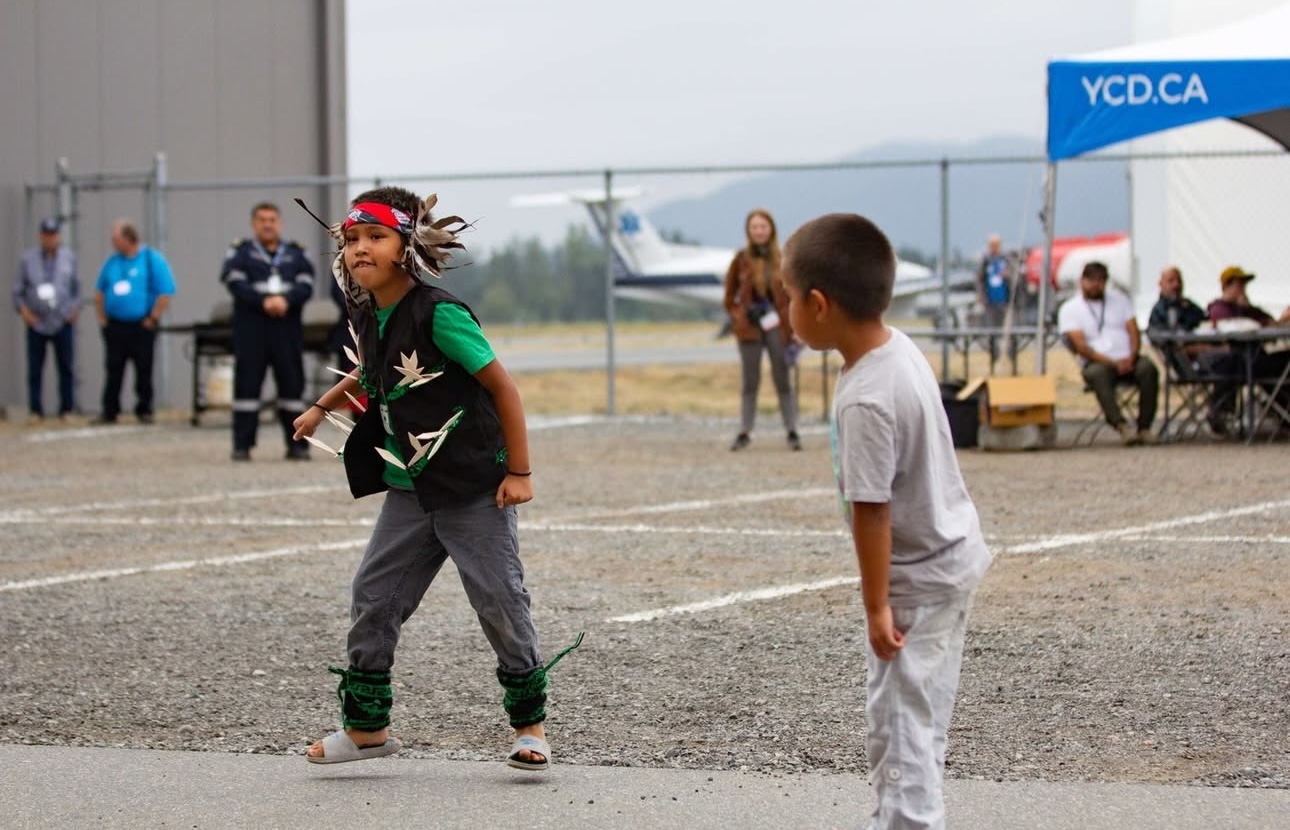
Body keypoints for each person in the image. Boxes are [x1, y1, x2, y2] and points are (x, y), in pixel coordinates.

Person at [292, 186, 577, 768]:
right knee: (373, 596)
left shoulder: (439, 313)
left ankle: (531, 727)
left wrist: (519, 471)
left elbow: (504, 387)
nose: (361, 249)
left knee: (499, 599)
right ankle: (368, 729)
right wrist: (322, 406)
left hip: (473, 487)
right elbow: (369, 371)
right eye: (352, 240)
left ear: (408, 245)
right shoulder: (369, 311)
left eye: (376, 237)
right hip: (410, 488)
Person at [778, 212, 991, 830]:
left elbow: (874, 513)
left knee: (900, 734)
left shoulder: (866, 396)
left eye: (791, 297)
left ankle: (907, 822)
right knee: (920, 720)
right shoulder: (897, 349)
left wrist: (877, 606)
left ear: (818, 305)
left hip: (915, 585)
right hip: (951, 563)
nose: (788, 309)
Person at [220, 202, 316, 461]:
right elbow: (233, 280)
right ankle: (242, 445)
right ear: (254, 224)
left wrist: (286, 300)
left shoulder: (296, 254)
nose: (267, 224)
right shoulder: (240, 252)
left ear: (279, 223)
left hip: (286, 328)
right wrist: (263, 301)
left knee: (292, 387)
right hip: (252, 329)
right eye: (262, 219)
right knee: (247, 387)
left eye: (272, 219)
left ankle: (297, 444)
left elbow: (307, 283)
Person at [722, 208, 800, 451]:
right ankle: (745, 430)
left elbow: (792, 294)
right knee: (750, 380)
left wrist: (794, 325)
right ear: (748, 231)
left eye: (763, 227)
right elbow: (729, 295)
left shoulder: (782, 258)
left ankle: (792, 429)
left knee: (782, 377)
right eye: (754, 227)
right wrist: (737, 315)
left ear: (771, 229)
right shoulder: (741, 260)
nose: (759, 231)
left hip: (777, 324)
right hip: (749, 326)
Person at [1057, 261, 1159, 446]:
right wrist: (1113, 363)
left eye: (1101, 281)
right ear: (1082, 282)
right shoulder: (1070, 309)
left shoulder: (1120, 300)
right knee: (1097, 374)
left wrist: (1132, 355)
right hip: (1098, 361)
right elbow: (1082, 347)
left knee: (1148, 369)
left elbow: (1133, 331)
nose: (1096, 285)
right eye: (1092, 280)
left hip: (1128, 358)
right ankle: (1120, 425)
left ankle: (1144, 427)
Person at [93, 220, 176, 424]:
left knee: (143, 368)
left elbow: (166, 291)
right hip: (116, 325)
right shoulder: (112, 262)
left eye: (116, 238)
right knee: (113, 369)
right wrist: (102, 319)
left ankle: (144, 408)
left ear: (128, 239)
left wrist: (153, 317)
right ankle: (110, 409)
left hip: (141, 325)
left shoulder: (150, 259)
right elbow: (99, 291)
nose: (113, 242)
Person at [1201, 266, 1290, 434]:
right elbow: (1237, 328)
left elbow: (1268, 321)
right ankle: (1282, 412)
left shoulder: (1244, 308)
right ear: (1226, 286)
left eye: (1243, 285)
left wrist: (1250, 309)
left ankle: (1283, 412)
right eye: (1238, 284)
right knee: (1280, 368)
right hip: (1238, 362)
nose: (1242, 289)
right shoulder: (1219, 308)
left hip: (1255, 358)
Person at [13, 217, 80, 422]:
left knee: (66, 367)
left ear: (58, 236)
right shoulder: (27, 260)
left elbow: (77, 289)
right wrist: (26, 315)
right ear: (41, 236)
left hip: (62, 321)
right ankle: (36, 410)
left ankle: (66, 409)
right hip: (37, 322)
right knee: (35, 368)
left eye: (53, 235)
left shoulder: (69, 258)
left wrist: (73, 312)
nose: (50, 239)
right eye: (46, 235)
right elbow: (17, 292)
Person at [1147, 265, 1207, 336]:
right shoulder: (1158, 311)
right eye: (1171, 281)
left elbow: (1205, 323)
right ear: (1161, 284)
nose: (1176, 285)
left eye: (1179, 280)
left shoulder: (1189, 306)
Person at [975, 233, 1012, 328]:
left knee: (1006, 323)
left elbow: (1014, 275)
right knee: (991, 325)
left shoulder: (1006, 259)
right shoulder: (986, 260)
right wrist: (981, 295)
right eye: (992, 245)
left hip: (1004, 298)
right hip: (990, 299)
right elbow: (980, 279)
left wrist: (1008, 275)